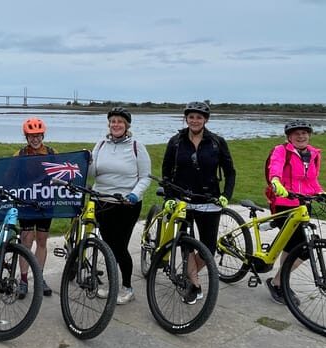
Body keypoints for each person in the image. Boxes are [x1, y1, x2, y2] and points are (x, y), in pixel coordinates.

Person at [162, 101, 236, 304]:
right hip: (182, 200)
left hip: (209, 201)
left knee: (208, 249)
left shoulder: (217, 142)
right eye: (191, 117)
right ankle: (194, 284)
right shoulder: (176, 141)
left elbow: (230, 172)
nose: (195, 120)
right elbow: (166, 173)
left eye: (199, 117)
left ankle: (187, 273)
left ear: (206, 120)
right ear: (186, 118)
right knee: (186, 246)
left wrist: (226, 196)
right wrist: (169, 198)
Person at [265, 119, 326, 305]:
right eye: (296, 133)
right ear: (289, 137)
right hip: (283, 202)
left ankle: (278, 281)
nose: (301, 136)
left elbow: (312, 181)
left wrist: (322, 193)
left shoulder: (313, 154)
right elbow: (275, 167)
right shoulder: (281, 151)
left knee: (300, 247)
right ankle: (279, 283)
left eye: (304, 132)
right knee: (298, 245)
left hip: (304, 204)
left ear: (309, 135)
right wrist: (276, 182)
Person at [92, 107, 151, 304]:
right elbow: (92, 172)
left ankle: (127, 287)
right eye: (113, 121)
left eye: (120, 122)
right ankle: (112, 284)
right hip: (103, 202)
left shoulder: (137, 147)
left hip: (126, 204)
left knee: (120, 247)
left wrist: (134, 194)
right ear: (109, 124)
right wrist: (85, 162)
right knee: (108, 246)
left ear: (127, 125)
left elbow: (145, 177)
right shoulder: (100, 145)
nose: (116, 124)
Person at [15, 117, 55, 298]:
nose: (35, 139)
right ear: (26, 137)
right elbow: (9, 176)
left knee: (41, 241)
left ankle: (39, 278)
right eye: (31, 136)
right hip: (26, 203)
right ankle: (23, 280)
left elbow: (63, 172)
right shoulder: (21, 154)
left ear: (43, 135)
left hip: (46, 203)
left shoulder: (52, 153)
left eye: (38, 135)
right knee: (26, 240)